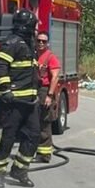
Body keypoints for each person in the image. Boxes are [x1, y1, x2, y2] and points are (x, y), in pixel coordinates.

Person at [0, 9, 40, 188]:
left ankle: (20, 170)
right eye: (33, 26)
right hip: (13, 102)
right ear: (28, 26)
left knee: (33, 136)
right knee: (7, 137)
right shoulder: (12, 42)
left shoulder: (29, 43)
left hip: (30, 101)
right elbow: (0, 65)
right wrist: (5, 89)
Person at [34, 31, 61, 163]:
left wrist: (49, 95)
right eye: (39, 40)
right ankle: (35, 151)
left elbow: (55, 77)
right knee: (34, 122)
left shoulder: (50, 57)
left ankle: (44, 155)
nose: (41, 43)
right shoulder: (33, 56)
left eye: (44, 41)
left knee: (44, 123)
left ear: (48, 43)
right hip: (34, 90)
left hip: (45, 91)